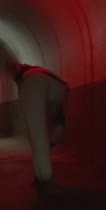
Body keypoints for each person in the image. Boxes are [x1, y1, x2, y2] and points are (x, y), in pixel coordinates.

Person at [6, 61, 69, 195]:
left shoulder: (25, 76)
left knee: (37, 135)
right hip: (59, 89)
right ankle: (42, 173)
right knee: (52, 126)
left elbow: (23, 90)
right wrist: (52, 141)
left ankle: (45, 179)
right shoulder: (37, 70)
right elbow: (58, 119)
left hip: (34, 85)